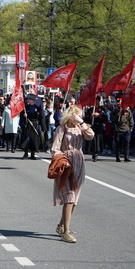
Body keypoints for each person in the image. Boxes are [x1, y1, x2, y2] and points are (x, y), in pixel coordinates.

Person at [51, 105, 94, 243]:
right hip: (66, 164)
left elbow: (91, 136)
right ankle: (65, 231)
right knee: (69, 197)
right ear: (71, 115)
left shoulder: (80, 128)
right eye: (77, 115)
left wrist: (81, 123)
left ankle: (61, 225)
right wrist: (63, 160)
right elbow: (55, 149)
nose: (80, 117)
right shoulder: (61, 128)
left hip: (79, 162)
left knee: (74, 198)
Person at [20, 94, 44, 160]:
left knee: (34, 140)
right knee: (26, 140)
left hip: (35, 125)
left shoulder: (38, 108)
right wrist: (24, 115)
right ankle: (25, 153)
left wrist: (43, 127)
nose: (28, 101)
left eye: (29, 100)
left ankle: (33, 154)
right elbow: (21, 116)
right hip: (28, 124)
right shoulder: (26, 107)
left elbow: (41, 117)